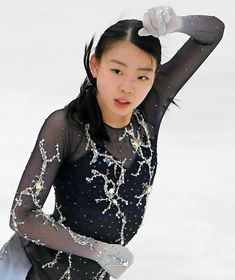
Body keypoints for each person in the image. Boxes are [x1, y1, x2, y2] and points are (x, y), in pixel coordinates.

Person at [0, 5, 224, 280]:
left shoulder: (149, 111)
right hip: (37, 272)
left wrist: (177, 23)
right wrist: (98, 251)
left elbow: (213, 32)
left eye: (142, 76)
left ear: (154, 77)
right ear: (96, 65)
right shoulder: (67, 127)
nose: (128, 87)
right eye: (117, 71)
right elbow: (22, 215)